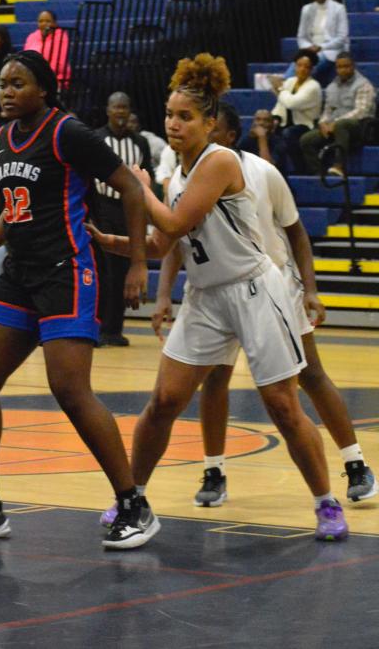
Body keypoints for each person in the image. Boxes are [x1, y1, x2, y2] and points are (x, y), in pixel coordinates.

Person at [90, 52, 349, 542]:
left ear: (211, 123)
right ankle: (133, 497)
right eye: (169, 115)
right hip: (207, 296)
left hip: (255, 289)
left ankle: (326, 502)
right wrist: (119, 244)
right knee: (164, 399)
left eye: (185, 117)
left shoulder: (220, 161)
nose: (173, 124)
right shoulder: (178, 175)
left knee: (281, 404)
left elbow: (172, 222)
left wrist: (138, 187)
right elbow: (164, 244)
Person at [0, 51, 155, 549]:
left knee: (70, 389)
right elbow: (12, 210)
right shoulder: (4, 138)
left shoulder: (67, 132)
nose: (6, 92)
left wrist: (137, 263)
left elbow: (131, 189)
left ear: (43, 89)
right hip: (19, 273)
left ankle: (134, 503)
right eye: (3, 84)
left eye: (18, 83)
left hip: (65, 271)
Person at [153, 101, 376, 508]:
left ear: (225, 136)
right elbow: (175, 240)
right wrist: (164, 293)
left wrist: (309, 289)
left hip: (269, 287)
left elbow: (297, 233)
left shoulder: (261, 172)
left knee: (310, 375)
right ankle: (214, 469)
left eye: (209, 130)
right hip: (215, 291)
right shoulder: (184, 178)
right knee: (214, 380)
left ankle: (355, 462)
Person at [93, 92, 152, 347]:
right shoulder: (96, 139)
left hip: (128, 210)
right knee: (101, 269)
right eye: (116, 106)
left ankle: (114, 330)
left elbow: (147, 178)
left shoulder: (140, 142)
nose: (120, 112)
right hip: (101, 206)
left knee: (121, 271)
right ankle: (94, 328)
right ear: (107, 110)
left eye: (124, 108)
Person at [300, 52, 376, 178]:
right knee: (306, 139)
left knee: (342, 124)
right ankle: (319, 174)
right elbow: (327, 111)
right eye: (339, 67)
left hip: (359, 127)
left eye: (346, 66)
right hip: (334, 127)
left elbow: (362, 111)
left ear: (353, 66)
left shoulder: (364, 85)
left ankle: (339, 166)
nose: (343, 70)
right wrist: (323, 123)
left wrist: (334, 123)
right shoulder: (332, 86)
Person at [270, 49, 322, 174]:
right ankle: (275, 171)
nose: (302, 69)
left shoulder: (314, 86)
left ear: (311, 69)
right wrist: (276, 118)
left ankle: (300, 170)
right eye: (299, 65)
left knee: (289, 134)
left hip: (305, 125)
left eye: (307, 67)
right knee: (268, 131)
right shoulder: (290, 81)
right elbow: (281, 104)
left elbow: (291, 103)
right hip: (287, 122)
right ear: (294, 66)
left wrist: (280, 89)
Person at [292, 0, 349, 85]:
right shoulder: (306, 9)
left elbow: (342, 38)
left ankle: (287, 87)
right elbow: (301, 37)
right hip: (310, 50)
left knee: (305, 65)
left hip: (330, 50)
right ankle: (286, 85)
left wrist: (320, 47)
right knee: (300, 62)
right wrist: (309, 47)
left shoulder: (339, 8)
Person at [23, 10, 70, 87]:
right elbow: (25, 60)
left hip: (55, 79)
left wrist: (42, 77)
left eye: (48, 21)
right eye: (41, 21)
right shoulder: (31, 37)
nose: (44, 24)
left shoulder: (61, 36)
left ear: (55, 23)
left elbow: (59, 64)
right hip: (33, 79)